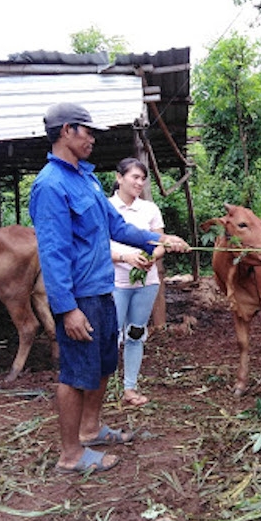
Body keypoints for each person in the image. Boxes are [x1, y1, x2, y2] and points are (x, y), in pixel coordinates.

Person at [29, 102, 189, 474]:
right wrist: (66, 309)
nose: (93, 138)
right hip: (79, 297)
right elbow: (52, 254)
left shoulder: (84, 179)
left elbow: (116, 228)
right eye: (87, 130)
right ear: (67, 131)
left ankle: (90, 429)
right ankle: (70, 456)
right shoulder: (50, 186)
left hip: (102, 291)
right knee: (75, 373)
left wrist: (158, 239)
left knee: (103, 364)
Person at [109, 157, 164, 407]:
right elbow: (99, 246)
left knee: (136, 333)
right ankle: (106, 386)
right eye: (135, 177)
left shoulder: (150, 209)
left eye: (143, 178)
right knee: (112, 335)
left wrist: (150, 257)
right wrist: (125, 257)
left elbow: (161, 242)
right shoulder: (107, 208)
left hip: (146, 283)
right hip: (115, 282)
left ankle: (129, 388)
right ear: (119, 178)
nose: (140, 183)